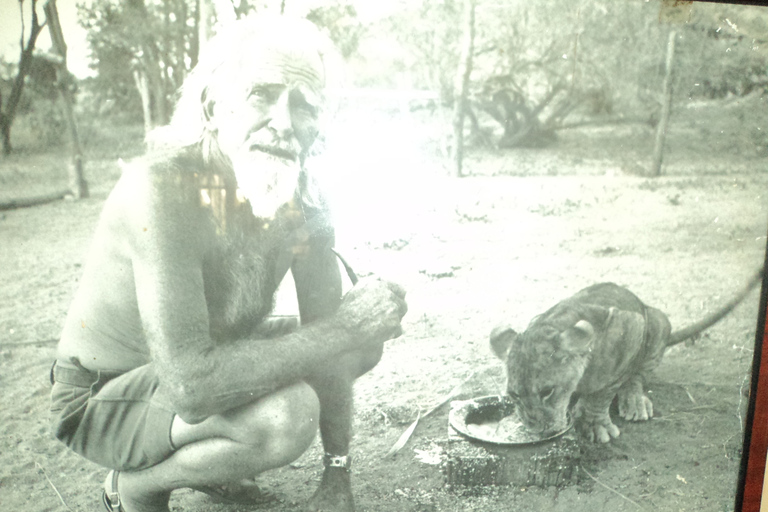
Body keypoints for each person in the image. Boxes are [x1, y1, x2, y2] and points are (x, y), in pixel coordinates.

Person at [50, 15, 407, 512]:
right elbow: (192, 387)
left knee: (358, 339)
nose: (285, 122)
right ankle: (136, 486)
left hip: (194, 370)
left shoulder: (304, 198)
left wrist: (337, 477)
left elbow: (333, 332)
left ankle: (210, 463)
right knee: (288, 416)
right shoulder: (161, 189)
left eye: (304, 105)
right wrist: (346, 326)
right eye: (263, 94)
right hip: (103, 399)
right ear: (214, 107)